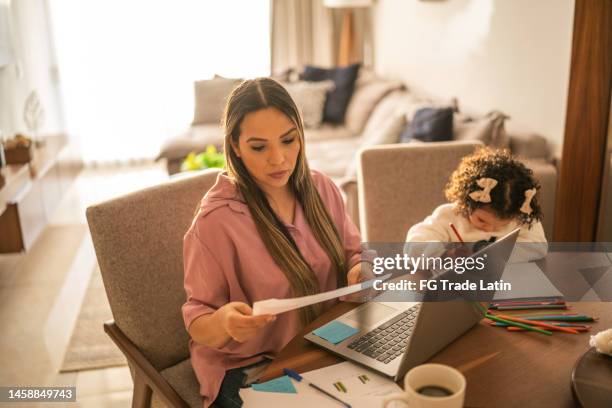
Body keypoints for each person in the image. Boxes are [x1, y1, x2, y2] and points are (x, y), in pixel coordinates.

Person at [182, 78, 368, 407]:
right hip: (249, 365)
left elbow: (355, 252)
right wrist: (225, 322)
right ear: (235, 146)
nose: (279, 158)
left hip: (324, 342)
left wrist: (360, 270)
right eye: (259, 147)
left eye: (288, 140)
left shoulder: (321, 188)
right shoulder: (214, 224)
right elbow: (198, 319)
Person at [406, 148, 547, 262]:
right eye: (482, 220)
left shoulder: (521, 218)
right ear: (466, 203)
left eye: (502, 225)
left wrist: (497, 257)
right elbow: (415, 243)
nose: (489, 229)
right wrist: (444, 255)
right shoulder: (449, 215)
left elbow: (538, 247)